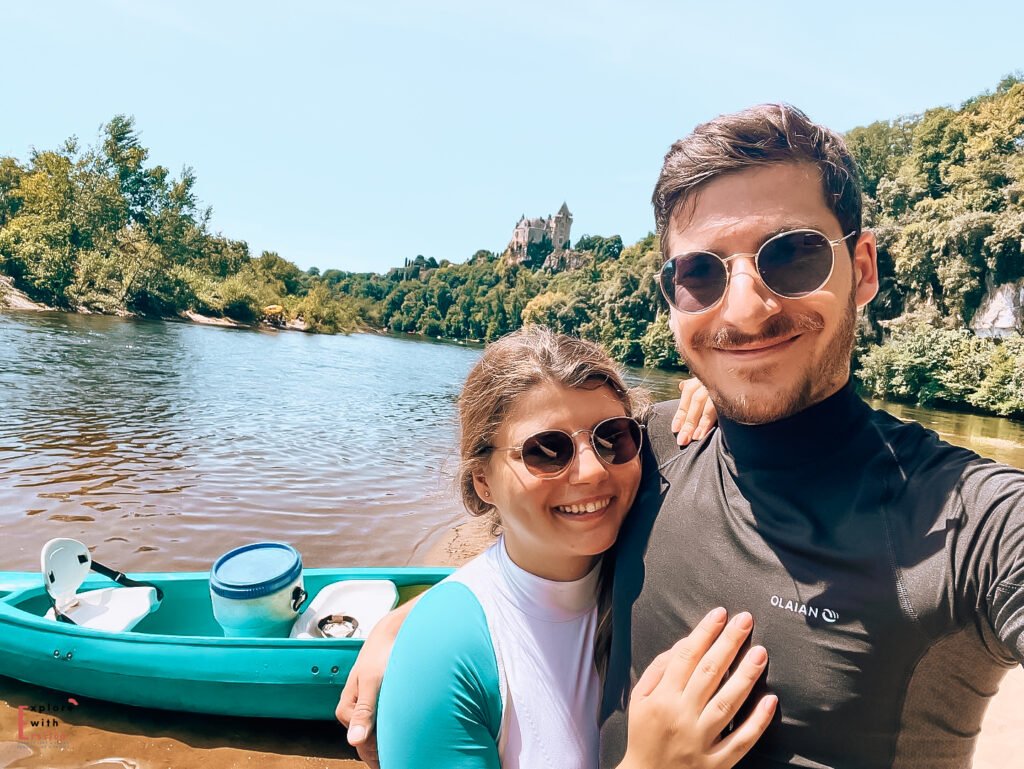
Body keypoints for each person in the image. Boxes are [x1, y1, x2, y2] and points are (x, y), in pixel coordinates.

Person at [341, 104, 1024, 768]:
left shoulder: (967, 519)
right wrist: (426, 625)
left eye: (793, 257)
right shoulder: (647, 452)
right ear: (672, 301)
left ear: (864, 269)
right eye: (701, 273)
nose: (748, 307)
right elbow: (533, 542)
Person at [373, 326, 775, 769]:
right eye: (546, 450)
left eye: (613, 438)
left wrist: (731, 396)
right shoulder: (443, 655)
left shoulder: (642, 562)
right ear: (482, 481)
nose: (591, 471)